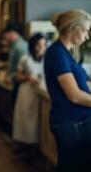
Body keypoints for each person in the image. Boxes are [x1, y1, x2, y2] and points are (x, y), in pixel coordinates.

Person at [44, 9, 91, 171]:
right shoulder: (57, 53)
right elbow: (74, 96)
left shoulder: (67, 53)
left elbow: (84, 84)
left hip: (78, 121)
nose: (87, 36)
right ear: (72, 28)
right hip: (70, 122)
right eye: (85, 30)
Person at [12, 33, 46, 158]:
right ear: (33, 46)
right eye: (38, 45)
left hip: (40, 93)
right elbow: (18, 76)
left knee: (37, 120)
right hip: (26, 92)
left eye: (43, 45)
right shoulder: (25, 59)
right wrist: (28, 77)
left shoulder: (46, 59)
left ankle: (36, 149)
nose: (41, 48)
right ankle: (25, 148)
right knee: (25, 120)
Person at [3, 21, 29, 103]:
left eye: (6, 33)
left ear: (13, 33)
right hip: (17, 83)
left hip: (20, 84)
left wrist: (10, 76)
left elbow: (25, 68)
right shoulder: (16, 45)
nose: (5, 36)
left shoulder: (20, 47)